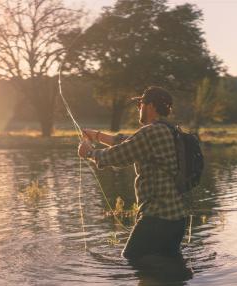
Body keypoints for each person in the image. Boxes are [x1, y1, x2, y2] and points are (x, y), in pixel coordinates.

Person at [78, 86, 188, 259]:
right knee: (167, 265)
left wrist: (89, 153)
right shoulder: (170, 130)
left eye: (140, 104)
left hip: (157, 218)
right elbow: (127, 142)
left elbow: (119, 155)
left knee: (131, 259)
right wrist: (96, 136)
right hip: (177, 219)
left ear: (150, 105)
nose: (139, 109)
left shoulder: (151, 131)